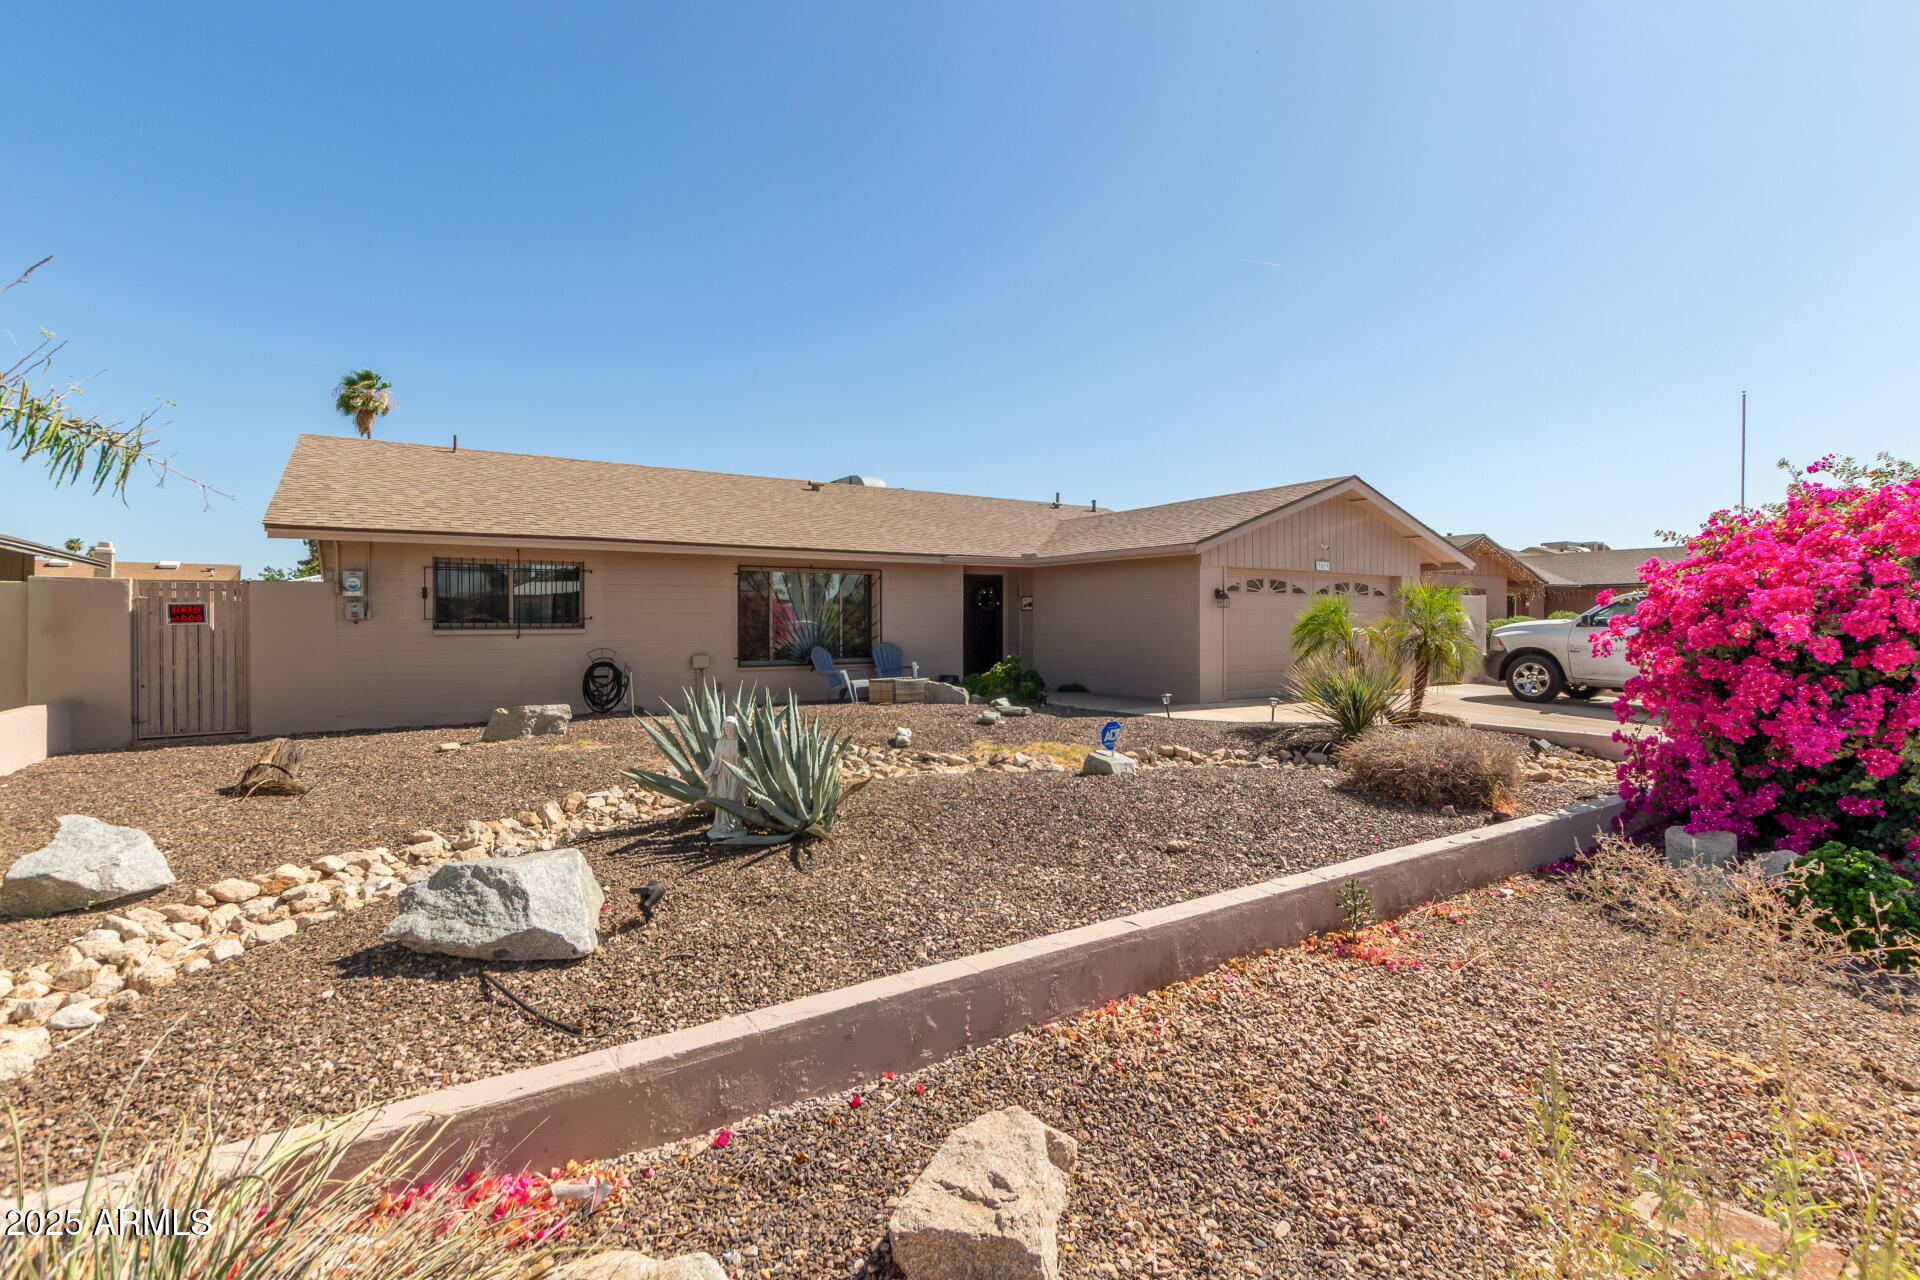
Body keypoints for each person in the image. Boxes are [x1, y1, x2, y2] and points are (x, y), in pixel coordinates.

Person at [705, 716, 746, 840]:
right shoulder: (720, 742)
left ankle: (735, 824)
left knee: (733, 798)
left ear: (736, 728)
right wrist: (710, 769)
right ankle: (723, 825)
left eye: (731, 728)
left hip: (736, 775)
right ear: (723, 729)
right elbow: (716, 759)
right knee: (723, 798)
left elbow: (746, 761)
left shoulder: (741, 742)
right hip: (723, 774)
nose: (728, 730)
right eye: (726, 728)